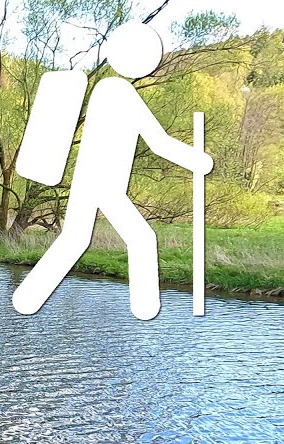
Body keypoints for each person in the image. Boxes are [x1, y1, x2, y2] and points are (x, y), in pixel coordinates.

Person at [11, 22, 213, 320]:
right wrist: (198, 161)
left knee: (76, 240)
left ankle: (28, 299)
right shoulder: (119, 92)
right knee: (139, 239)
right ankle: (145, 309)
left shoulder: (106, 90)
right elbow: (157, 141)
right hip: (103, 185)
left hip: (92, 183)